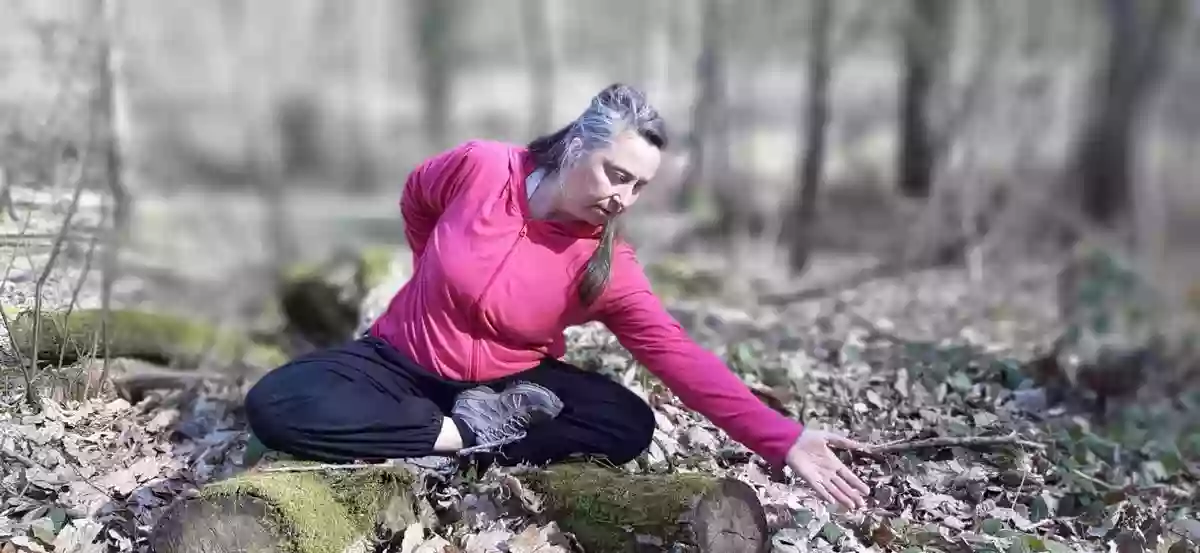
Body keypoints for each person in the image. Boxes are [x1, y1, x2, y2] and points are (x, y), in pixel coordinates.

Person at [243, 83, 871, 510]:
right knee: (276, 404)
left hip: (508, 385)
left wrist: (782, 438)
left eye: (639, 187)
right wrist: (429, 270)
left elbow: (677, 357)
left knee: (627, 422)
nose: (622, 198)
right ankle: (462, 439)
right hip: (400, 360)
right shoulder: (482, 168)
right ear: (576, 146)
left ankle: (455, 443)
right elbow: (416, 195)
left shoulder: (608, 265)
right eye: (614, 174)